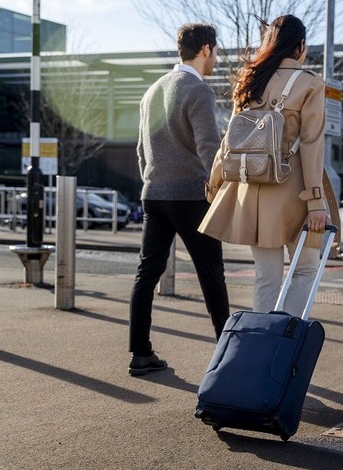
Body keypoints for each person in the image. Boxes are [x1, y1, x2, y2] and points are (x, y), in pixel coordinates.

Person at [200, 14, 333, 321]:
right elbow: (312, 145)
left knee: (266, 277)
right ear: (300, 46)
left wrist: (215, 183)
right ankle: (283, 338)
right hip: (295, 190)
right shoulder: (310, 84)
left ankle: (261, 344)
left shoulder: (249, 79)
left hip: (251, 190)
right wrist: (316, 203)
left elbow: (229, 140)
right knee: (305, 270)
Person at [127, 23, 230, 377]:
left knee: (147, 274)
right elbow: (209, 148)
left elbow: (141, 150)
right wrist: (218, 189)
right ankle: (229, 358)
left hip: (154, 194)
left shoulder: (152, 92)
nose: (217, 58)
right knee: (211, 276)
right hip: (191, 196)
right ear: (205, 49)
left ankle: (140, 353)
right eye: (216, 51)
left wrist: (153, 182)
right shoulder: (198, 90)